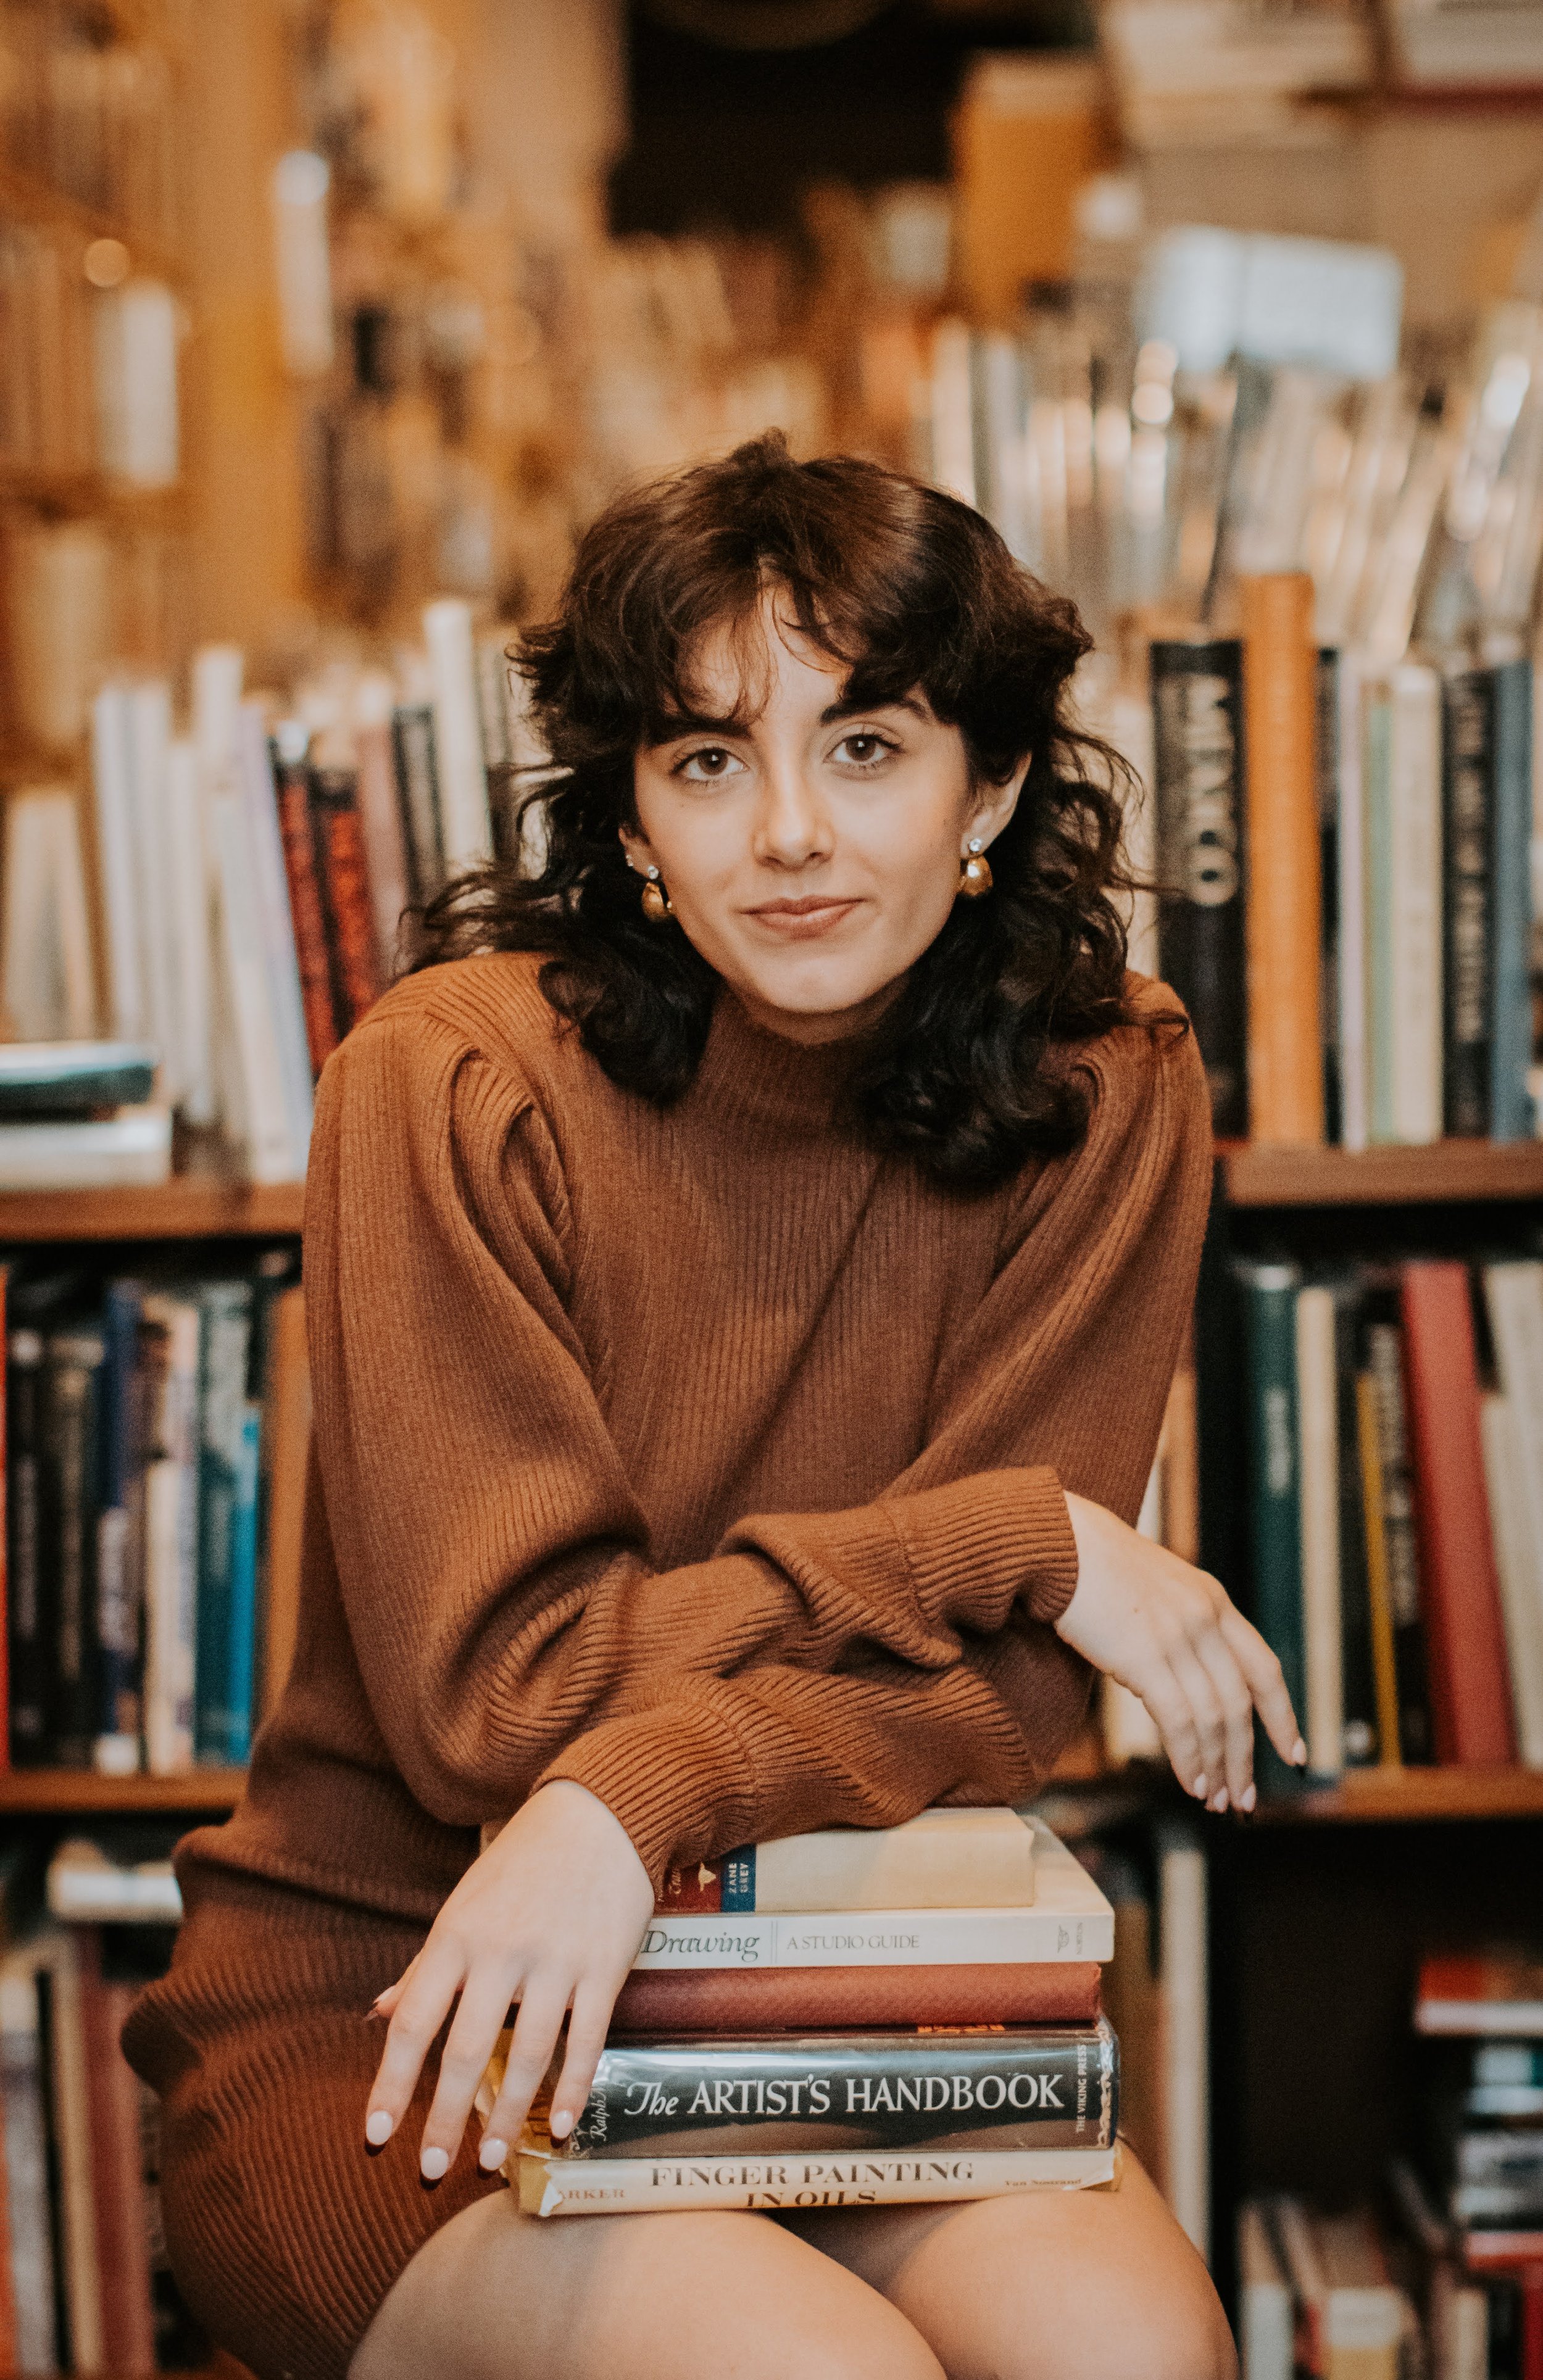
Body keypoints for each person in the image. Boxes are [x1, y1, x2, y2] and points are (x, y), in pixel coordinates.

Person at [125, 433, 1302, 2380]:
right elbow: (500, 1693)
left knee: (1135, 2350)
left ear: (989, 782)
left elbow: (1009, 1695)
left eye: (865, 747)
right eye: (704, 761)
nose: (787, 836)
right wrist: (1005, 1539)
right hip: (414, 1989)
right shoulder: (448, 1081)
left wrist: (633, 1794)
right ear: (633, 820)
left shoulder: (1107, 1081)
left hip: (839, 1970)